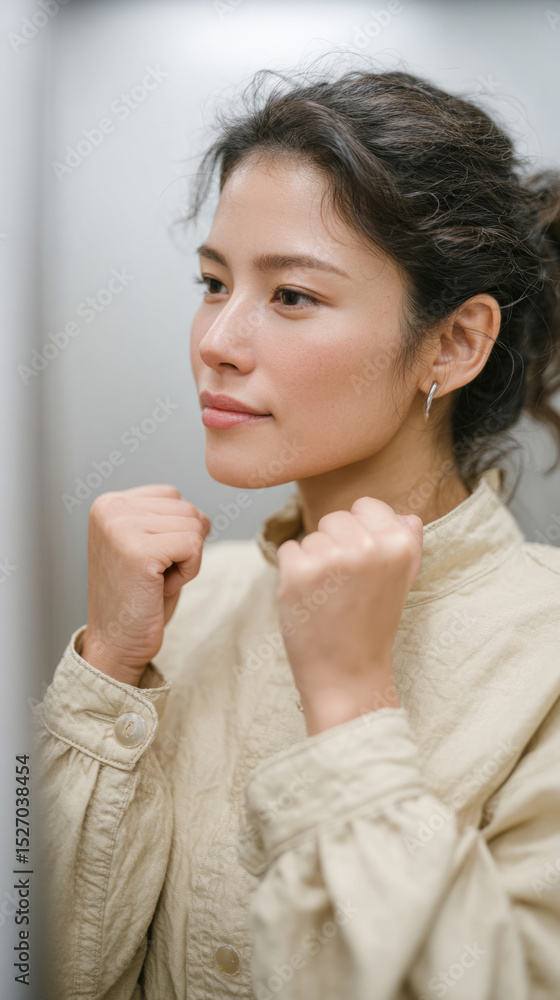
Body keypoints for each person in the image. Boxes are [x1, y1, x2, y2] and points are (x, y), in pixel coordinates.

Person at [33, 61, 560, 1000]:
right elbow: (39, 963)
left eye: (291, 296)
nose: (216, 342)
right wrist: (106, 670)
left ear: (454, 343)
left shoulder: (545, 654)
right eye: (212, 282)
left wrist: (352, 701)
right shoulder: (183, 609)